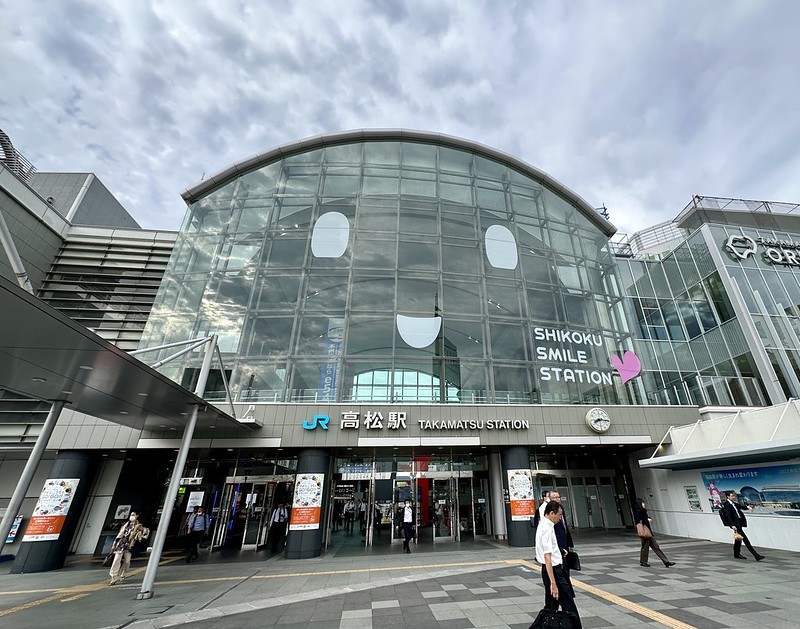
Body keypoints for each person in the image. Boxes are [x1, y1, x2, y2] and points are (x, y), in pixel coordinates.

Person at [535, 501, 581, 627]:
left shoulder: (547, 525)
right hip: (553, 572)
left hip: (553, 570)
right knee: (568, 603)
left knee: (551, 606)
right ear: (551, 513)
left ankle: (544, 625)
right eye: (559, 515)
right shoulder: (546, 528)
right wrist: (553, 583)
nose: (560, 518)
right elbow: (547, 557)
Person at [720, 490, 765, 561]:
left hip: (739, 523)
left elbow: (741, 507)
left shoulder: (734, 504)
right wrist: (732, 525)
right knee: (746, 540)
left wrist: (748, 507)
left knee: (738, 540)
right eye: (732, 496)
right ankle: (756, 555)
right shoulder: (727, 505)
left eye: (734, 496)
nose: (734, 497)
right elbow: (728, 516)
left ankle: (736, 554)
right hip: (736, 525)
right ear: (728, 497)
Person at [109, 510, 149, 585]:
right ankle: (114, 577)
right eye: (131, 515)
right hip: (121, 544)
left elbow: (145, 534)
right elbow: (120, 534)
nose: (131, 516)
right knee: (116, 560)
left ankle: (122, 574)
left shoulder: (138, 525)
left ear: (137, 516)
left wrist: (141, 530)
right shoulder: (126, 524)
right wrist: (114, 544)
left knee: (127, 562)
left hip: (129, 546)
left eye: (133, 515)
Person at [634, 498, 675, 568]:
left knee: (656, 547)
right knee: (645, 547)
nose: (644, 504)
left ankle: (666, 561)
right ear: (639, 504)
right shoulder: (639, 512)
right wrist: (647, 520)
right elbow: (639, 521)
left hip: (649, 533)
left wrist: (647, 518)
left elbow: (645, 518)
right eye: (642, 503)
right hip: (645, 533)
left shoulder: (643, 511)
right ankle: (643, 562)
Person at [549, 491, 575, 588]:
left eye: (558, 497)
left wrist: (569, 543)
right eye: (555, 497)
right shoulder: (550, 512)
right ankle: (565, 589)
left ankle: (567, 586)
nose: (557, 499)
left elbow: (565, 528)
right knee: (560, 568)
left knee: (566, 567)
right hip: (557, 545)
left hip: (565, 543)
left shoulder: (561, 509)